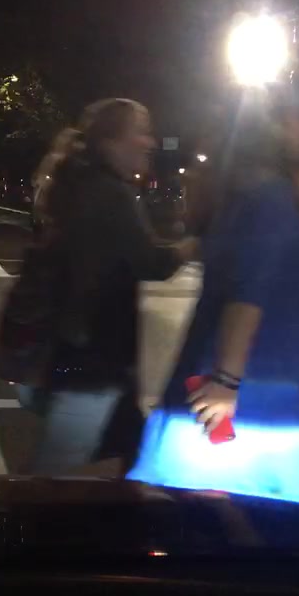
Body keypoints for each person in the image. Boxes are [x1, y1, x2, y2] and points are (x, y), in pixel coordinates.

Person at [127, 104, 299, 508]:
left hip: (251, 386)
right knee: (266, 526)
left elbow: (270, 282)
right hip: (257, 397)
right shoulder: (272, 199)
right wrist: (227, 382)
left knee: (220, 524)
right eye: (290, 118)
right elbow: (249, 294)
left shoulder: (248, 199)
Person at [24, 98, 194, 475]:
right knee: (55, 482)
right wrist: (192, 246)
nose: (150, 142)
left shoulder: (81, 185)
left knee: (139, 458)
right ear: (112, 141)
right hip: (91, 362)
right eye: (141, 132)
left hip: (84, 357)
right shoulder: (110, 193)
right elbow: (150, 262)